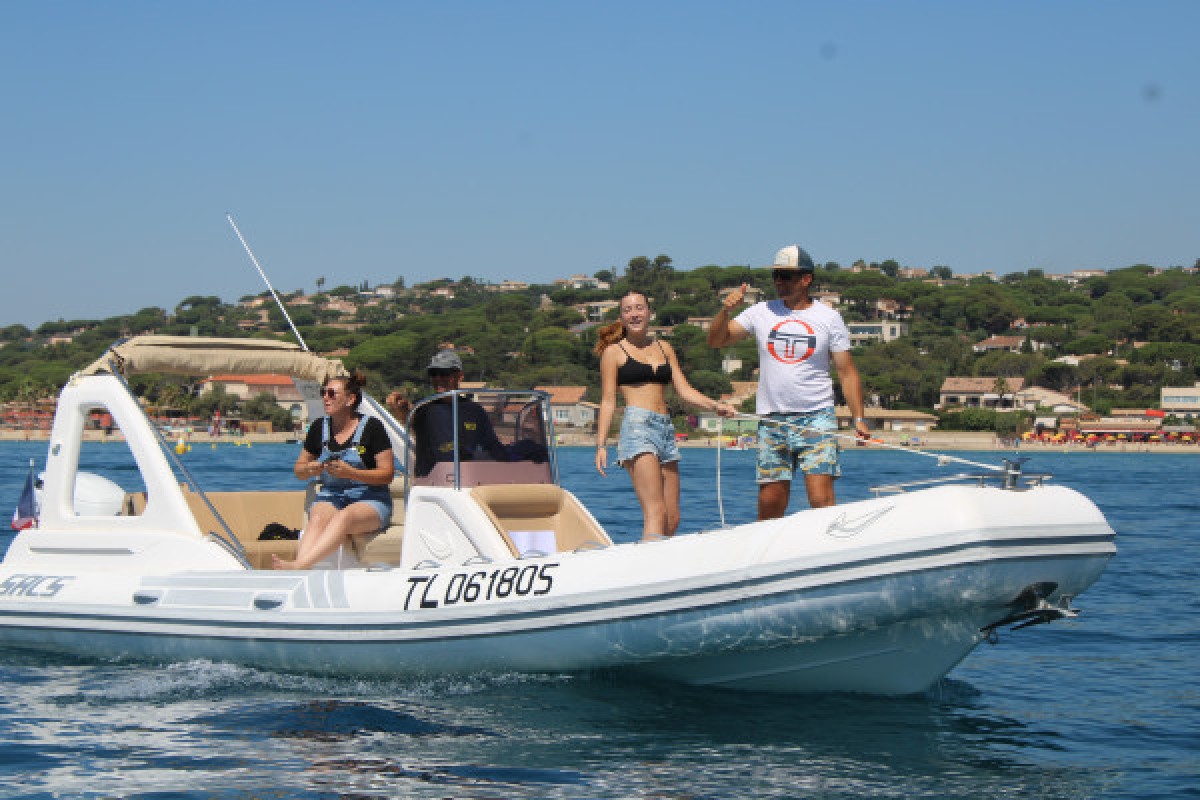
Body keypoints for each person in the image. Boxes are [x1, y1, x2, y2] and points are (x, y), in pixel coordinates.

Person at [706, 244, 870, 519]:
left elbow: (847, 372)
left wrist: (859, 419)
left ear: (806, 279)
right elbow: (716, 340)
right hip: (772, 418)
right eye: (776, 276)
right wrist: (725, 312)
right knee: (770, 501)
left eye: (786, 276)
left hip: (816, 416)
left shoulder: (829, 318)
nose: (779, 282)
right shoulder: (761, 312)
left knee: (820, 498)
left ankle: (826, 542)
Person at [595, 291, 737, 539]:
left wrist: (715, 406)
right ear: (621, 317)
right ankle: (648, 562)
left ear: (650, 313)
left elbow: (684, 390)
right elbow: (608, 401)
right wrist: (601, 444)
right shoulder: (614, 352)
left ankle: (659, 560)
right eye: (627, 310)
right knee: (656, 512)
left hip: (665, 429)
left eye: (639, 308)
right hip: (637, 428)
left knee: (672, 517)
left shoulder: (664, 347)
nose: (634, 314)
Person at [274, 369, 395, 569]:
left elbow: (387, 474)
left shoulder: (372, 428)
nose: (325, 398)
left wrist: (351, 473)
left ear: (350, 399)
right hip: (332, 495)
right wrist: (310, 469)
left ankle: (300, 565)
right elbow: (299, 470)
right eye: (323, 392)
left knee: (344, 517)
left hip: (370, 499)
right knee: (317, 517)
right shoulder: (318, 428)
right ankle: (300, 569)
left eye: (332, 393)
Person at [409, 349, 509, 477]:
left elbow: (491, 445)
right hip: (431, 481)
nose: (438, 378)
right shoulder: (423, 409)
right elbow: (408, 416)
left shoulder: (475, 411)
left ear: (460, 376)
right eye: (433, 373)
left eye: (444, 373)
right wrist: (401, 407)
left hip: (468, 479)